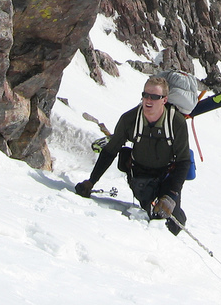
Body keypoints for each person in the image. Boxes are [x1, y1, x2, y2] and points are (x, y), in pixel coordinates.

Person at [75, 76, 191, 235]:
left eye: (154, 97)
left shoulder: (176, 122)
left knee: (171, 224)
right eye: (145, 95)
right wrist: (91, 182)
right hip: (140, 177)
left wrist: (171, 196)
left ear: (164, 100)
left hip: (166, 178)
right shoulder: (130, 119)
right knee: (152, 214)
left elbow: (184, 162)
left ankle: (178, 217)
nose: (148, 100)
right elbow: (110, 151)